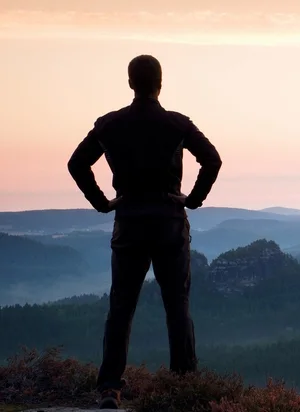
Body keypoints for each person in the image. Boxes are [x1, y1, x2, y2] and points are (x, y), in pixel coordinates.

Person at [67, 55, 222, 409]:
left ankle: (109, 388)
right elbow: (212, 159)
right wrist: (193, 200)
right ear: (160, 83)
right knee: (177, 306)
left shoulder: (109, 125)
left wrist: (102, 202)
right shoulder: (178, 124)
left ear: (130, 82)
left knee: (121, 306)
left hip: (130, 223)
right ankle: (184, 385)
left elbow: (76, 163)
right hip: (169, 223)